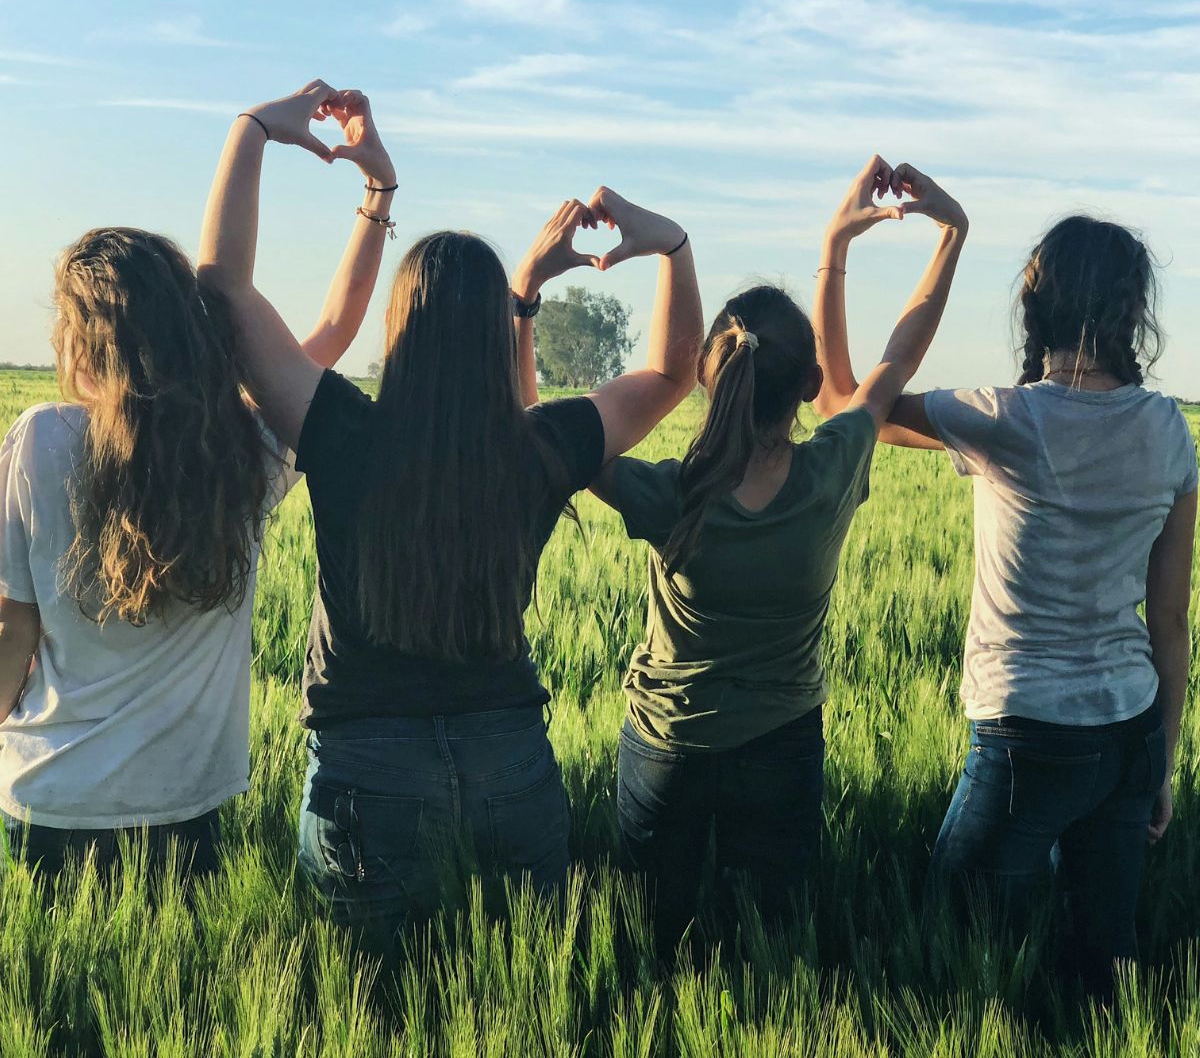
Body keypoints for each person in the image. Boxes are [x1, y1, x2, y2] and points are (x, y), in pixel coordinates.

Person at [197, 80, 704, 949]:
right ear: (491, 335)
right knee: (526, 995)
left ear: (400, 330)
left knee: (372, 1002)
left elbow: (222, 291)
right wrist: (672, 247)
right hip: (512, 763)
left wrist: (252, 131)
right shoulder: (542, 447)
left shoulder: (341, 431)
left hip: (365, 773)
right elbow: (670, 372)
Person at [0, 90, 392, 877]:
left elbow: (13, 629)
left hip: (47, 797)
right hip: (185, 808)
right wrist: (376, 193)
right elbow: (333, 332)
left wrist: (252, 129)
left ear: (80, 338)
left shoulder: (40, 439)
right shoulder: (242, 451)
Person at [584, 156, 968, 953]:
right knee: (771, 944)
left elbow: (555, 442)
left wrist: (526, 301)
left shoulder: (673, 492)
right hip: (783, 743)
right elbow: (897, 358)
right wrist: (937, 236)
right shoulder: (833, 469)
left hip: (667, 743)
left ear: (707, 379)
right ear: (809, 383)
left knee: (650, 941)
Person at [815, 197, 1196, 996]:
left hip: (1027, 734)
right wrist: (1161, 760)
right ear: (1133, 311)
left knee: (952, 951)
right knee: (1104, 965)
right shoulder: (1169, 429)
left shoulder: (1003, 418)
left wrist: (837, 247)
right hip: (1130, 728)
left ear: (1035, 303)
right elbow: (1169, 620)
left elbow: (842, 403)